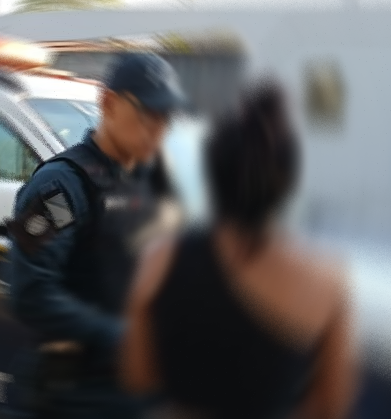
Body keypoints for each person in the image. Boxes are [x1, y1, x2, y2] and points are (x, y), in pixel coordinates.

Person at [120, 78, 359, 419]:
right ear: (287, 182)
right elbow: (332, 405)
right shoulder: (329, 277)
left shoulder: (160, 257)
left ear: (213, 173)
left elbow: (137, 376)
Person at [6, 53, 190, 419]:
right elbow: (32, 292)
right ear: (108, 103)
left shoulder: (156, 182)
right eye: (148, 115)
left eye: (166, 117)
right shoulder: (64, 188)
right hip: (77, 396)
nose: (159, 129)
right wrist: (121, 336)